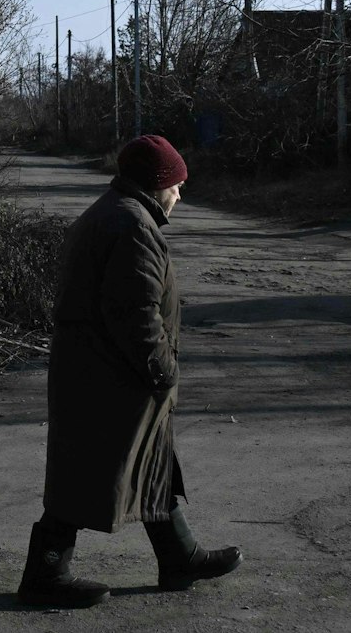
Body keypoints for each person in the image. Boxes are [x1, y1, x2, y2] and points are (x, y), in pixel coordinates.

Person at [16, 134, 241, 608]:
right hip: (109, 379)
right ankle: (45, 575)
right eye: (176, 185)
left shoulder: (116, 213)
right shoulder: (131, 226)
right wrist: (163, 371)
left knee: (150, 462)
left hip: (101, 373)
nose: (180, 194)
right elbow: (135, 314)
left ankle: (180, 557)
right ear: (157, 184)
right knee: (88, 475)